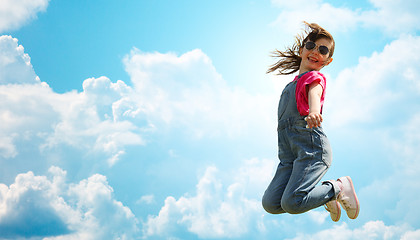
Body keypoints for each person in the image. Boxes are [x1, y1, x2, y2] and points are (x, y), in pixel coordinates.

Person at [262, 22, 360, 222]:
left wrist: (314, 111)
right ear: (302, 50)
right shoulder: (290, 85)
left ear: (327, 61)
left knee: (292, 203)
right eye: (311, 46)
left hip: (312, 151)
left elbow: (315, 93)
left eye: (322, 50)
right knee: (271, 203)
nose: (315, 51)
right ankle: (323, 196)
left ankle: (337, 188)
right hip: (289, 157)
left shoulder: (314, 78)